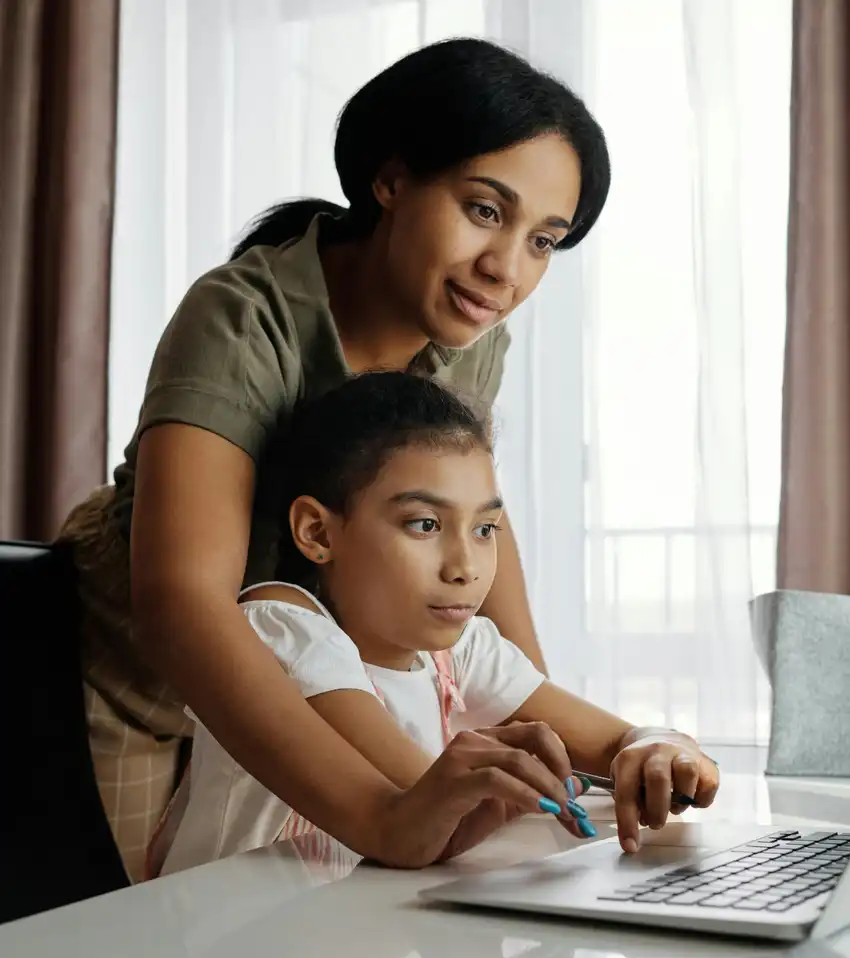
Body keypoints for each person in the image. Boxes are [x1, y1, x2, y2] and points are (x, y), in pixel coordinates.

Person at [59, 36, 615, 880]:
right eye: (485, 211)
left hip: (316, 666)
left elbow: (474, 517)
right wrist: (383, 816)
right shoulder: (243, 316)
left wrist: (537, 733)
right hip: (139, 667)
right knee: (130, 938)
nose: (506, 269)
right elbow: (181, 602)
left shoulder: (470, 334)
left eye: (544, 240)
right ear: (390, 180)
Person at [150, 372, 720, 877]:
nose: (466, 568)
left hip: (353, 941)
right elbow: (424, 806)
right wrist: (533, 783)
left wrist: (661, 748)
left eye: (485, 529)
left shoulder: (457, 651)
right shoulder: (282, 628)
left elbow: (617, 739)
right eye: (424, 524)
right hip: (234, 947)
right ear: (318, 533)